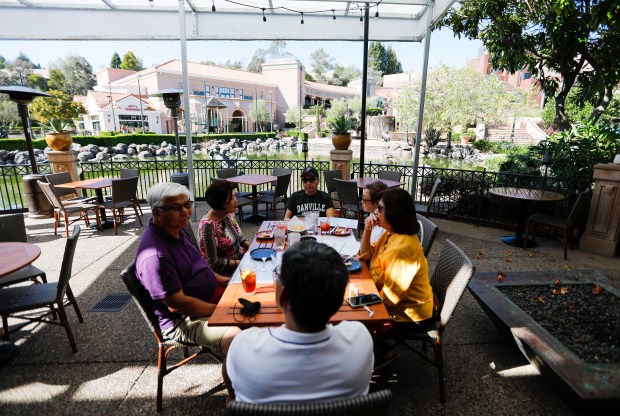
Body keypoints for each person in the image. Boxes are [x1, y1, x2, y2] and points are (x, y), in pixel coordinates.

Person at [223, 242, 374, 403]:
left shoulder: (243, 346)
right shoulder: (361, 338)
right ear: (339, 298)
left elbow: (233, 397)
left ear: (283, 295)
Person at [135, 182, 240, 354]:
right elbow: (178, 306)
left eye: (187, 204)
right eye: (176, 208)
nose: (185, 212)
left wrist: (225, 281)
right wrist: (222, 310)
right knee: (236, 337)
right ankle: (237, 368)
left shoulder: (177, 228)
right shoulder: (155, 257)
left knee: (260, 301)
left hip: (211, 297)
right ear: (157, 213)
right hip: (184, 320)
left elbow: (199, 263)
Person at [358, 188, 435, 329]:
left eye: (380, 208)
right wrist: (367, 230)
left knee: (351, 316)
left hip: (408, 315)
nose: (375, 212)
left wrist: (360, 304)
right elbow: (366, 254)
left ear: (394, 213)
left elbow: (389, 298)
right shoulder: (391, 233)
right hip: (383, 296)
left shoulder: (402, 249)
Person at [200, 181, 250, 275]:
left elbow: (239, 236)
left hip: (241, 259)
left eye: (234, 196)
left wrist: (251, 247)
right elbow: (213, 262)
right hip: (227, 272)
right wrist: (241, 263)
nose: (236, 201)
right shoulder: (208, 226)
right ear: (220, 204)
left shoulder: (228, 214)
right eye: (231, 199)